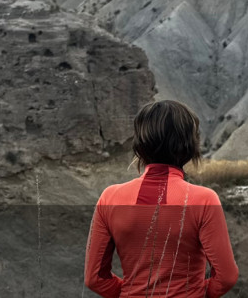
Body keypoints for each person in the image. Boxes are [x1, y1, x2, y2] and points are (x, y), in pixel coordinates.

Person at [84, 100, 238, 297]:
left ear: (140, 145)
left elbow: (94, 278)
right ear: (189, 146)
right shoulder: (204, 199)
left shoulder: (110, 197)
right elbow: (227, 276)